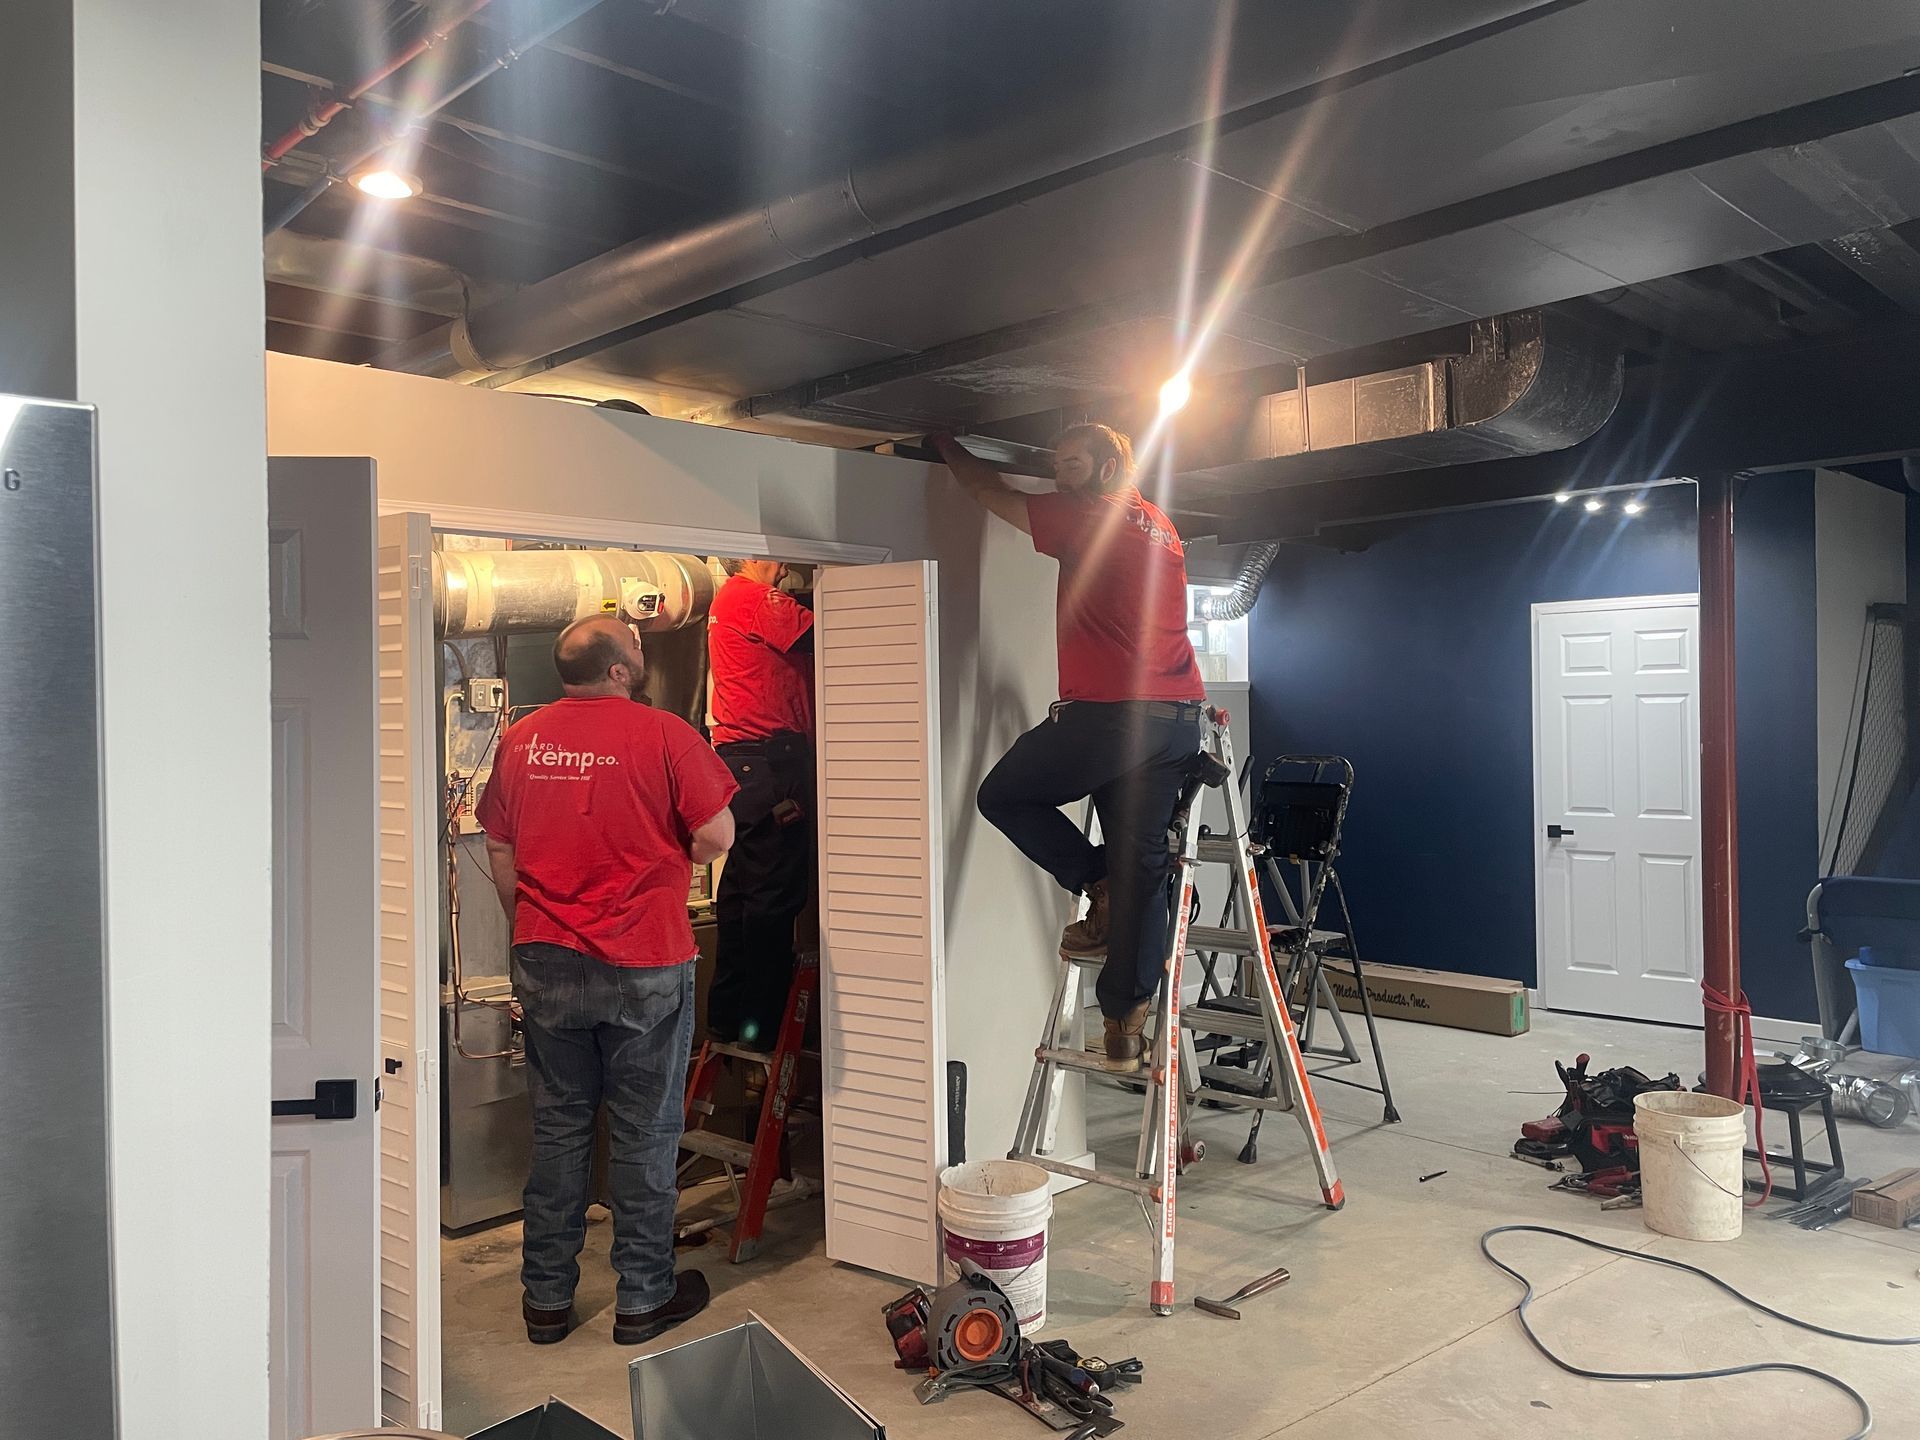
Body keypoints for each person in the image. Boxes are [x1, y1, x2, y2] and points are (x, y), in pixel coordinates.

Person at [477, 614, 738, 1347]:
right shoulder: (663, 735)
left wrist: (528, 920)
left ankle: (547, 1304)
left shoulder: (524, 740)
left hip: (546, 958)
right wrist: (665, 859)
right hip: (643, 959)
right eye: (637, 648)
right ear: (620, 670)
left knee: (559, 1133)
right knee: (645, 1134)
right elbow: (718, 834)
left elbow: (499, 843)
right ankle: (643, 1299)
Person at [934, 424, 1207, 1074]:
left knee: (1002, 795)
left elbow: (987, 491)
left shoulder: (1087, 517)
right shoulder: (1159, 525)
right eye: (1056, 463)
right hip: (1177, 718)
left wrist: (945, 442)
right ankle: (1125, 1021)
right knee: (1139, 862)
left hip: (1113, 714)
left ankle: (1094, 879)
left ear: (1111, 462)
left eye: (1073, 462)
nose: (1061, 475)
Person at [705, 557, 816, 1049]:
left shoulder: (730, 600)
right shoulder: (751, 597)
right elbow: (828, 634)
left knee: (743, 890)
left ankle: (729, 1016)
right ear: (751, 557)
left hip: (744, 763)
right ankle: (762, 1025)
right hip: (772, 763)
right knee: (773, 894)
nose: (784, 563)